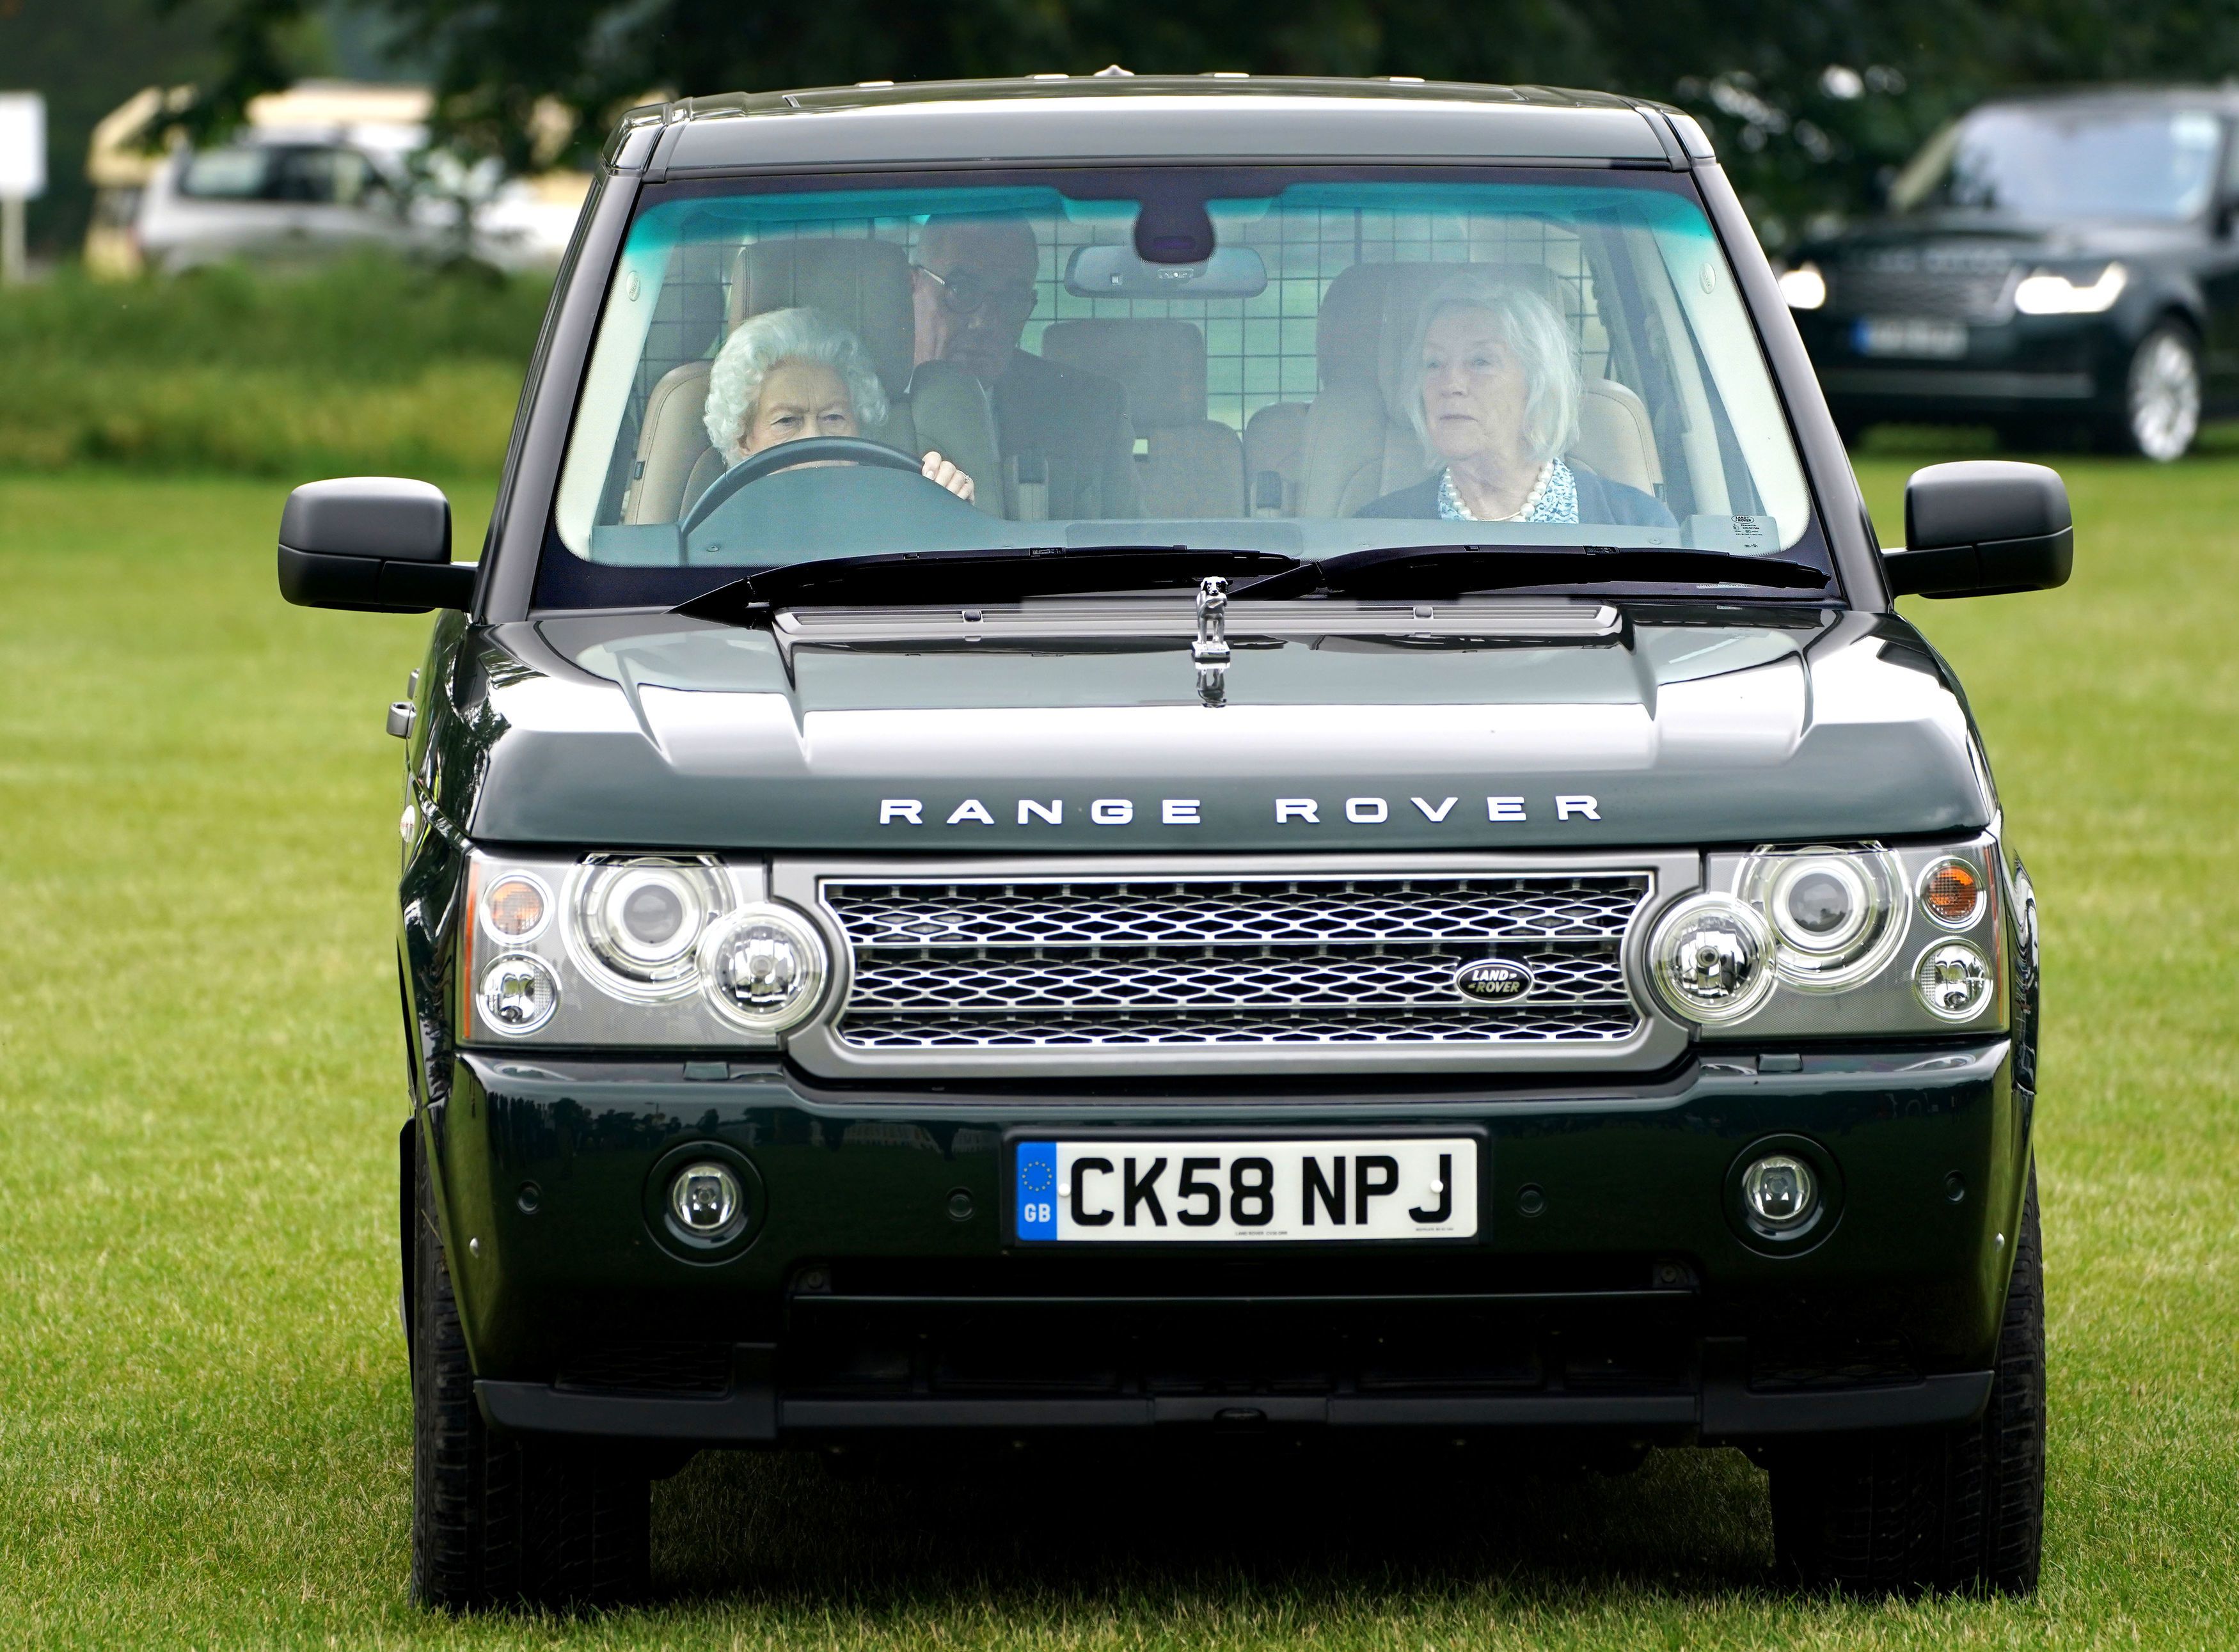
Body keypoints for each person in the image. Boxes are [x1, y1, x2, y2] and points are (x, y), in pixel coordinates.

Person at [1357, 272, 1673, 527]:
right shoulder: (1374, 532)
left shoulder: (1639, 526)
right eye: (1434, 364)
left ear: (1538, 385)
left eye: (1481, 361)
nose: (1450, 384)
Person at [910, 214, 1140, 519]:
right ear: (912, 285)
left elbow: (1132, 544)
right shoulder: (847, 405)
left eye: (1012, 298)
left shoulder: (1088, 411)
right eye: (961, 290)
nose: (985, 322)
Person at [702, 306, 975, 501]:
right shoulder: (723, 533)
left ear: (859, 425)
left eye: (833, 417)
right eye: (787, 421)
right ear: (744, 440)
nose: (814, 439)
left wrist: (949, 511)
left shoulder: (899, 508)